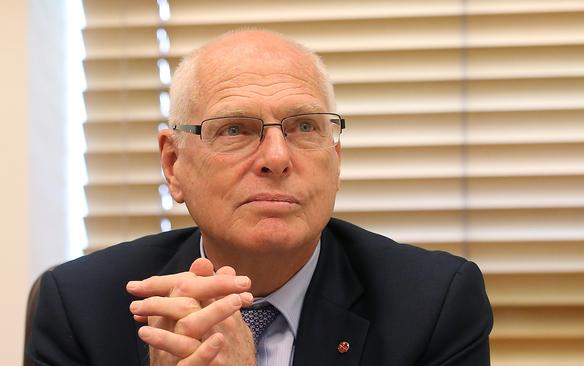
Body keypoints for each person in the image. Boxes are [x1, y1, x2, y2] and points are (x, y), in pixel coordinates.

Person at [27, 30, 493, 366]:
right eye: (235, 129)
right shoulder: (79, 309)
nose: (276, 158)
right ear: (174, 165)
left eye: (305, 127)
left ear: (336, 158)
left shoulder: (434, 304)